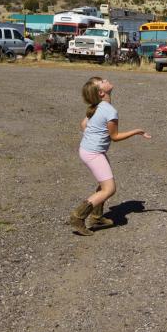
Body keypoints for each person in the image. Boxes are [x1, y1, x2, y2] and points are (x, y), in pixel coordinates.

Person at [70, 76, 150, 235]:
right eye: (102, 81)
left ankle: (97, 217)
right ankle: (78, 217)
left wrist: (90, 136)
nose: (106, 79)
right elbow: (115, 137)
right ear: (101, 92)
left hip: (89, 150)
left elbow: (84, 124)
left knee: (104, 183)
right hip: (93, 153)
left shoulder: (98, 106)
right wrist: (137, 131)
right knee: (110, 189)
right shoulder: (109, 110)